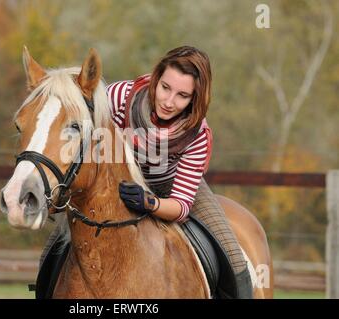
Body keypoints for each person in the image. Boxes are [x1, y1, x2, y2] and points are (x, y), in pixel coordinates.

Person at [107, 45, 253, 298]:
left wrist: (148, 202)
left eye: (183, 95)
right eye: (165, 87)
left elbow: (181, 206)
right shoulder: (120, 96)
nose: (168, 101)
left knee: (233, 256)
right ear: (156, 77)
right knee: (54, 249)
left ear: (195, 98)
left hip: (170, 189)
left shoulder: (198, 136)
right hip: (117, 182)